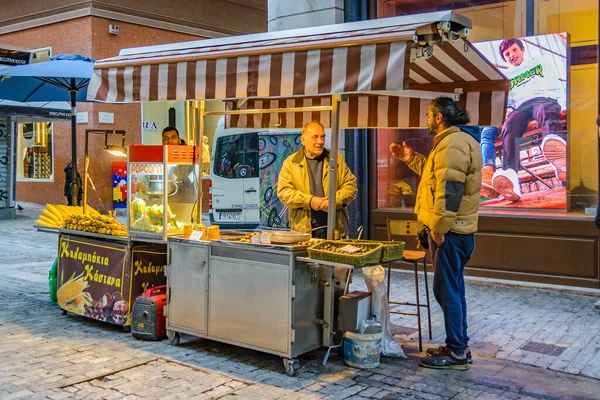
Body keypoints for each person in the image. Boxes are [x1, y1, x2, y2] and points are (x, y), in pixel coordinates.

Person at [390, 97, 482, 370]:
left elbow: (450, 191)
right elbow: (436, 178)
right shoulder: (455, 142)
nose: (427, 120)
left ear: (440, 117)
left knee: (445, 290)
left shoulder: (452, 144)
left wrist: (439, 230)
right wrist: (411, 159)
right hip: (457, 231)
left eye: (429, 115)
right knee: (453, 289)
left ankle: (456, 351)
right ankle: (459, 344)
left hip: (450, 233)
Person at [492, 38, 567, 201]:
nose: (511, 55)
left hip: (543, 98)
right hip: (522, 106)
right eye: (507, 54)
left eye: (514, 50)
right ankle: (511, 176)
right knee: (510, 124)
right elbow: (507, 101)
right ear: (505, 59)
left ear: (522, 50)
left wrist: (562, 103)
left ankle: (559, 159)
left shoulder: (541, 61)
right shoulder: (507, 76)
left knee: (545, 110)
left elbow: (555, 82)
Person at [277, 121, 357, 239]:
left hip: (336, 230)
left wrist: (333, 201)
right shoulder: (291, 163)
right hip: (304, 232)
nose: (320, 141)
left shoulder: (336, 159)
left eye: (322, 137)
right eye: (315, 137)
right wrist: (309, 201)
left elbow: (351, 187)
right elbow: (284, 192)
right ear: (303, 140)